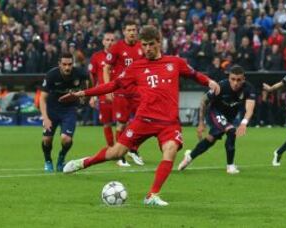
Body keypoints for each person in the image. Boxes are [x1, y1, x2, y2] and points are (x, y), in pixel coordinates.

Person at [60, 25, 220, 206]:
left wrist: (209, 81)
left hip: (169, 122)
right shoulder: (136, 67)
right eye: (144, 45)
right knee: (116, 153)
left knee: (171, 151)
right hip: (144, 119)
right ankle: (84, 162)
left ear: (159, 42)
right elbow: (113, 85)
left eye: (151, 44)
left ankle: (152, 195)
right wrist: (82, 93)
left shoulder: (174, 62)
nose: (147, 49)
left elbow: (194, 75)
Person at [178, 65, 256, 174]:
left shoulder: (249, 88)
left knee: (211, 139)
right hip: (215, 113)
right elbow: (204, 101)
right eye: (233, 79)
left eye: (239, 80)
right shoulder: (221, 87)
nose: (235, 83)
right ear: (229, 78)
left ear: (243, 79)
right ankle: (230, 166)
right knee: (231, 131)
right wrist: (201, 122)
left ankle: (189, 157)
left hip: (229, 117)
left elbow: (249, 109)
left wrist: (244, 123)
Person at [104, 20, 145, 167]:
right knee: (121, 124)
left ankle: (133, 149)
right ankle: (119, 155)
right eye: (129, 30)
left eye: (134, 29)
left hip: (138, 92)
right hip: (121, 92)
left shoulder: (142, 47)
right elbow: (106, 68)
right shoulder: (117, 48)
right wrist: (108, 88)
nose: (132, 32)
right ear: (124, 32)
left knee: (142, 122)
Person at [40, 53, 88, 172]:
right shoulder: (51, 75)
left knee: (66, 139)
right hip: (52, 110)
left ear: (73, 64)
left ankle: (61, 158)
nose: (67, 67)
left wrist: (86, 96)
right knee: (47, 139)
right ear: (59, 64)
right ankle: (48, 160)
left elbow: (88, 82)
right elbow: (42, 98)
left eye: (70, 64)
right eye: (64, 64)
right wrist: (45, 118)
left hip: (69, 110)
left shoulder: (79, 73)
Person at [88, 32, 116, 148]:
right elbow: (92, 77)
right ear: (103, 41)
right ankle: (111, 148)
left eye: (112, 40)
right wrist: (93, 96)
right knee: (106, 123)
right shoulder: (96, 57)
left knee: (124, 123)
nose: (110, 42)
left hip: (120, 94)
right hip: (104, 95)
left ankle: (125, 149)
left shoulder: (120, 56)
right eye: (107, 40)